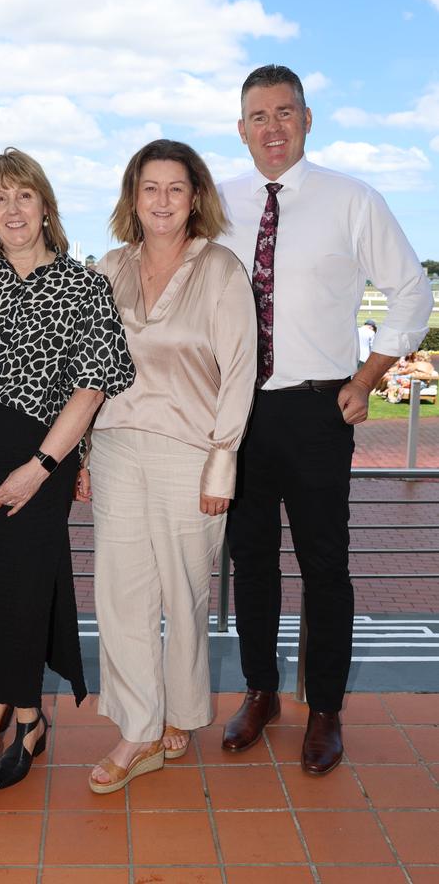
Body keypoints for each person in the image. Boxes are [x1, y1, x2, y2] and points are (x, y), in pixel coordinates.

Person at [218, 64, 433, 774]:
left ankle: (327, 709)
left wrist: (370, 375)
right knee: (249, 563)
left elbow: (410, 289)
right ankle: (260, 691)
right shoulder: (217, 202)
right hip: (241, 410)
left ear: (307, 121)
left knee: (325, 567)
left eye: (285, 113)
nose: (271, 127)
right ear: (241, 127)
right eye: (258, 115)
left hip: (317, 408)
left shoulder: (352, 199)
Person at [0, 147, 135, 827]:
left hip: (41, 459)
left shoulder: (82, 285)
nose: (12, 209)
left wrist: (39, 468)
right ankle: (31, 719)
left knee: (12, 596)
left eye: (24, 196)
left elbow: (92, 386)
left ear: (45, 206)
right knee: (3, 591)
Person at [83, 139, 257, 794]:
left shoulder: (220, 269)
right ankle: (139, 728)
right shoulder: (108, 268)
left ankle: (180, 712)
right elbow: (88, 374)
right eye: (149, 187)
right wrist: (82, 452)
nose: (161, 200)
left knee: (184, 596)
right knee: (122, 595)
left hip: (192, 455)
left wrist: (223, 461)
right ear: (133, 197)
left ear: (195, 197)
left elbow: (239, 372)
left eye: (175, 188)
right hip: (118, 447)